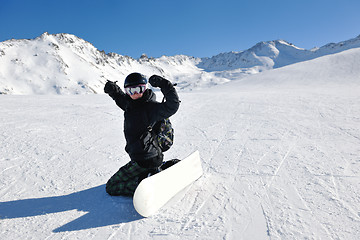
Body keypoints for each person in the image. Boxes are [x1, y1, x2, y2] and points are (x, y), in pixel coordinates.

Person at [104, 73, 180, 196]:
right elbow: (119, 98)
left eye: (138, 89)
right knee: (117, 182)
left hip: (147, 159)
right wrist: (113, 90)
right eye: (130, 90)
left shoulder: (151, 108)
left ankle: (143, 183)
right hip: (142, 158)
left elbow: (172, 105)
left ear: (144, 88)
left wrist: (164, 84)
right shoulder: (129, 105)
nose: (135, 94)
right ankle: (163, 169)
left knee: (112, 187)